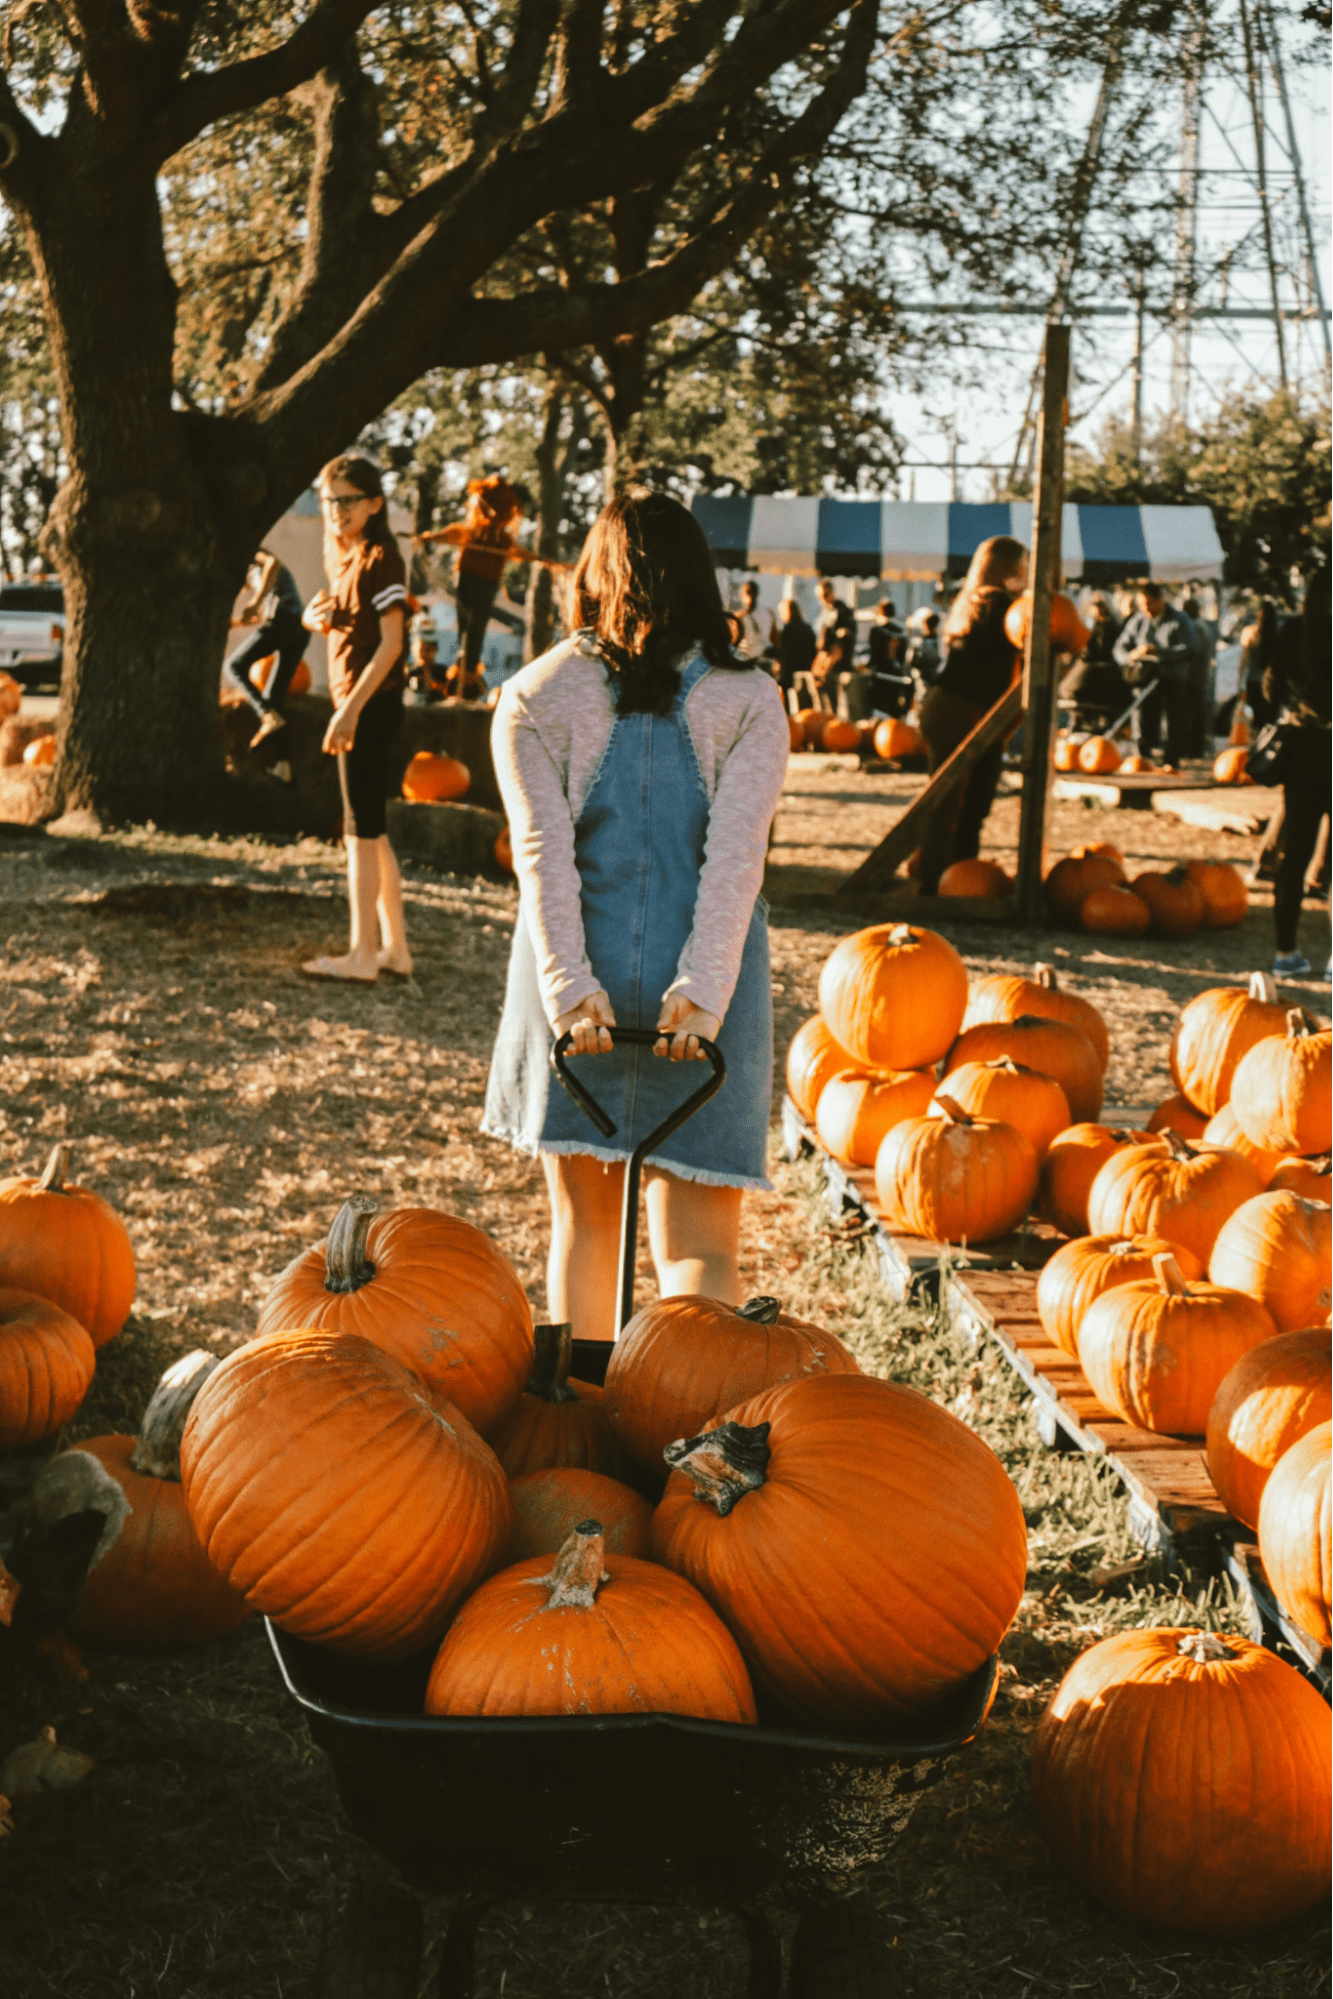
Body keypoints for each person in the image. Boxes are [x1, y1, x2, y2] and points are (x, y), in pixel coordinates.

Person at [483, 490, 789, 1343]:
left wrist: (570, 993)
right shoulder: (750, 699)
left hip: (579, 986)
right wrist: (702, 994)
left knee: (585, 1227)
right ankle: (687, 1413)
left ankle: (580, 1412)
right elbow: (736, 859)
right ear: (702, 581)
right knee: (699, 1247)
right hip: (705, 994)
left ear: (594, 577)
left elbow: (542, 856)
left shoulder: (534, 694)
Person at [300, 455, 412, 983]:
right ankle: (395, 950)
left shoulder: (382, 558)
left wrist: (348, 711)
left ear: (374, 504)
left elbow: (391, 646)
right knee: (372, 831)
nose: (336, 510)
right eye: (329, 501)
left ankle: (361, 955)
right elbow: (348, 625)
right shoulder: (346, 562)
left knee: (358, 834)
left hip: (370, 705)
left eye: (347, 500)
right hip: (359, 703)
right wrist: (310, 617)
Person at [916, 534, 1028, 893]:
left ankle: (949, 876)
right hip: (960, 709)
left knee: (957, 800)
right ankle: (943, 881)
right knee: (958, 802)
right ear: (1009, 568)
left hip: (951, 705)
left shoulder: (973, 600)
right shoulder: (997, 605)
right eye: (1023, 565)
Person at [416, 475, 564, 699]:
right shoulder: (472, 532)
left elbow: (520, 554)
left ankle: (469, 670)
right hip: (467, 582)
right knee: (466, 626)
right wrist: (431, 537)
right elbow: (455, 533)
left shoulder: (503, 541)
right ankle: (463, 665)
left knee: (477, 628)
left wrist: (541, 560)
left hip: (487, 586)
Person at [1262, 569, 1331, 979]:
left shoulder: (1294, 633)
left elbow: (1269, 691)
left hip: (1304, 749)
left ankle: (1285, 952)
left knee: (1296, 853)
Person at [222, 548, 308, 749]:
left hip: (284, 618)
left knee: (233, 666)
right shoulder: (261, 584)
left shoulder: (252, 556)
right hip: (298, 628)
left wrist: (255, 601)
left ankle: (265, 714)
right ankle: (282, 767)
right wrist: (233, 623)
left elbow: (273, 563)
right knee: (274, 697)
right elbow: (259, 617)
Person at [1113, 580, 1194, 765]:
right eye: (1142, 605)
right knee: (1141, 717)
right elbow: (1119, 649)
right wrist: (1132, 654)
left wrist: (1160, 652)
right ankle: (1142, 757)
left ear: (1160, 600)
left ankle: (1170, 760)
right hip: (1144, 678)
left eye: (1149, 603)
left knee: (1173, 720)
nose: (1146, 608)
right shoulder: (1138, 620)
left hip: (1172, 678)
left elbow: (1189, 649)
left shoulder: (1180, 620)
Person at [1059, 593, 1127, 727]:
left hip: (1101, 669)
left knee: (1069, 688)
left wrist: (1083, 657)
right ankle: (1080, 719)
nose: (1093, 609)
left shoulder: (1108, 626)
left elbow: (1101, 650)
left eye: (1097, 606)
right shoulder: (1097, 624)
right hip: (1093, 665)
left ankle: (1082, 720)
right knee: (1069, 687)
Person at [866, 601, 912, 716]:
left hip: (881, 673)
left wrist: (868, 667)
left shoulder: (877, 631)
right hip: (896, 673)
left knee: (879, 707)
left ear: (879, 612)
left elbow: (874, 654)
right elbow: (902, 657)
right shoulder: (901, 632)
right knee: (893, 707)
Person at [775, 596, 817, 704]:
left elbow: (780, 651)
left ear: (787, 611)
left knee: (789, 708)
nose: (781, 615)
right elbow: (814, 651)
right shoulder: (807, 628)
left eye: (781, 612)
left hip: (788, 676)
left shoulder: (787, 630)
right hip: (806, 673)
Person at [733, 580, 772, 661]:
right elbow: (775, 640)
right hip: (762, 660)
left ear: (742, 596)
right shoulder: (768, 613)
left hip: (746, 661)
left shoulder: (739, 616)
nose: (751, 596)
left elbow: (733, 643)